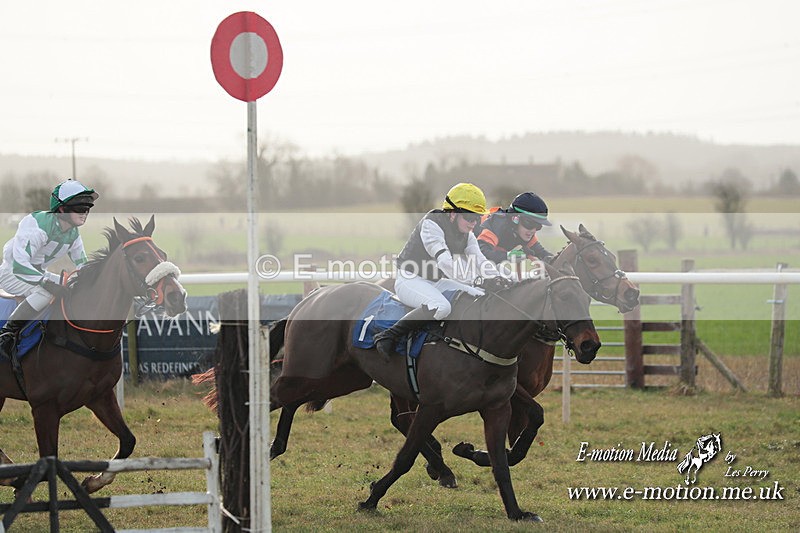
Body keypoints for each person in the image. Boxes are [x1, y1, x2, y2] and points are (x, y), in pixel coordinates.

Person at [374, 182, 509, 358]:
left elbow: (480, 260)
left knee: (479, 296)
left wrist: (499, 278)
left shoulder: (467, 235)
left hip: (436, 282)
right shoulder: (432, 224)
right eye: (469, 217)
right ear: (453, 213)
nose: (473, 224)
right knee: (441, 307)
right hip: (409, 279)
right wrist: (478, 280)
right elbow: (445, 263)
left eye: (477, 219)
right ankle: (387, 336)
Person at [0, 179, 98, 359]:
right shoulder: (37, 224)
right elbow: (20, 265)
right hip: (12, 273)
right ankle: (6, 335)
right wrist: (46, 283)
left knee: (69, 286)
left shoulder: (73, 233)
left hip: (36, 273)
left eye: (87, 208)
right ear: (62, 209)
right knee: (46, 292)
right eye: (79, 207)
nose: (84, 213)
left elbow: (82, 265)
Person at [476, 191, 554, 264]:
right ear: (515, 219)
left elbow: (543, 254)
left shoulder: (524, 231)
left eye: (538, 226)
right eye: (530, 223)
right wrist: (508, 256)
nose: (533, 231)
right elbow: (481, 252)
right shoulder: (497, 225)